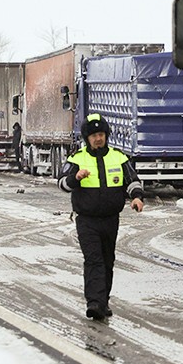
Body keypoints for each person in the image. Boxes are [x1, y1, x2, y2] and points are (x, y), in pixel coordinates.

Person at [58, 113, 144, 320]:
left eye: (101, 134)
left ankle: (102, 302)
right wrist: (75, 178)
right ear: (86, 138)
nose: (98, 138)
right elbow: (62, 184)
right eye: (94, 135)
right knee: (94, 259)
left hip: (110, 219)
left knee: (107, 261)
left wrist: (137, 198)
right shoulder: (77, 159)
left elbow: (132, 180)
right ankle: (94, 302)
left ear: (106, 135)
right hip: (86, 220)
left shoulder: (119, 157)